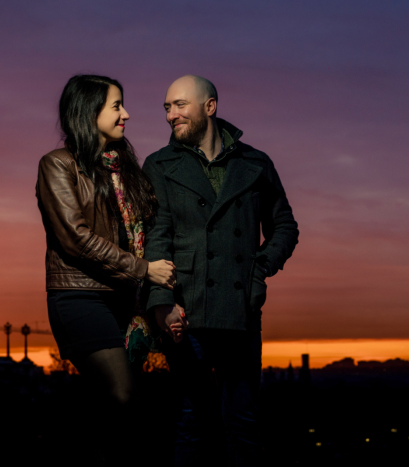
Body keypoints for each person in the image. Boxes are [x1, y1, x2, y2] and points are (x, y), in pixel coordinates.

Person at [143, 75, 299, 466]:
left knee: (244, 423)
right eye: (166, 107)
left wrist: (259, 270)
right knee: (190, 421)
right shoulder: (159, 165)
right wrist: (162, 304)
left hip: (240, 312)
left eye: (179, 105)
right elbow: (155, 237)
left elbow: (285, 227)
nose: (170, 115)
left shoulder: (255, 164)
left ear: (209, 107)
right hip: (185, 312)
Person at [36, 74, 180, 464]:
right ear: (88, 110)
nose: (126, 114)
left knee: (115, 412)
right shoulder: (58, 166)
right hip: (79, 296)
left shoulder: (126, 170)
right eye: (117, 106)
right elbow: (75, 238)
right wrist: (143, 269)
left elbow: (154, 227)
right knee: (122, 394)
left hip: (124, 299)